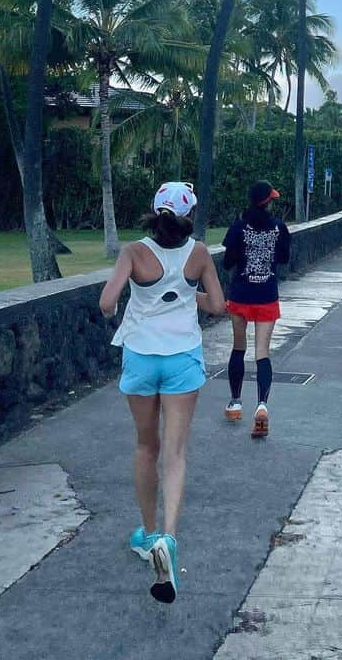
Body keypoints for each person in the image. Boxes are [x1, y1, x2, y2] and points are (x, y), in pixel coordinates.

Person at [99, 181, 225, 604]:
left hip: (140, 354)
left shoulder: (134, 253)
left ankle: (147, 533)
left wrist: (124, 303)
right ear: (189, 212)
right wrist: (189, 295)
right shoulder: (200, 253)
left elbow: (106, 302)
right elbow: (219, 306)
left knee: (145, 446)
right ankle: (168, 539)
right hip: (182, 358)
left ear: (155, 210)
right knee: (175, 453)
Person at [222, 180, 291, 437]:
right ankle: (261, 405)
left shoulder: (238, 227)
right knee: (262, 351)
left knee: (238, 347)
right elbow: (284, 258)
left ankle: (235, 402)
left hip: (240, 294)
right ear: (267, 202)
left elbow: (228, 262)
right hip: (266, 295)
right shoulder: (278, 227)